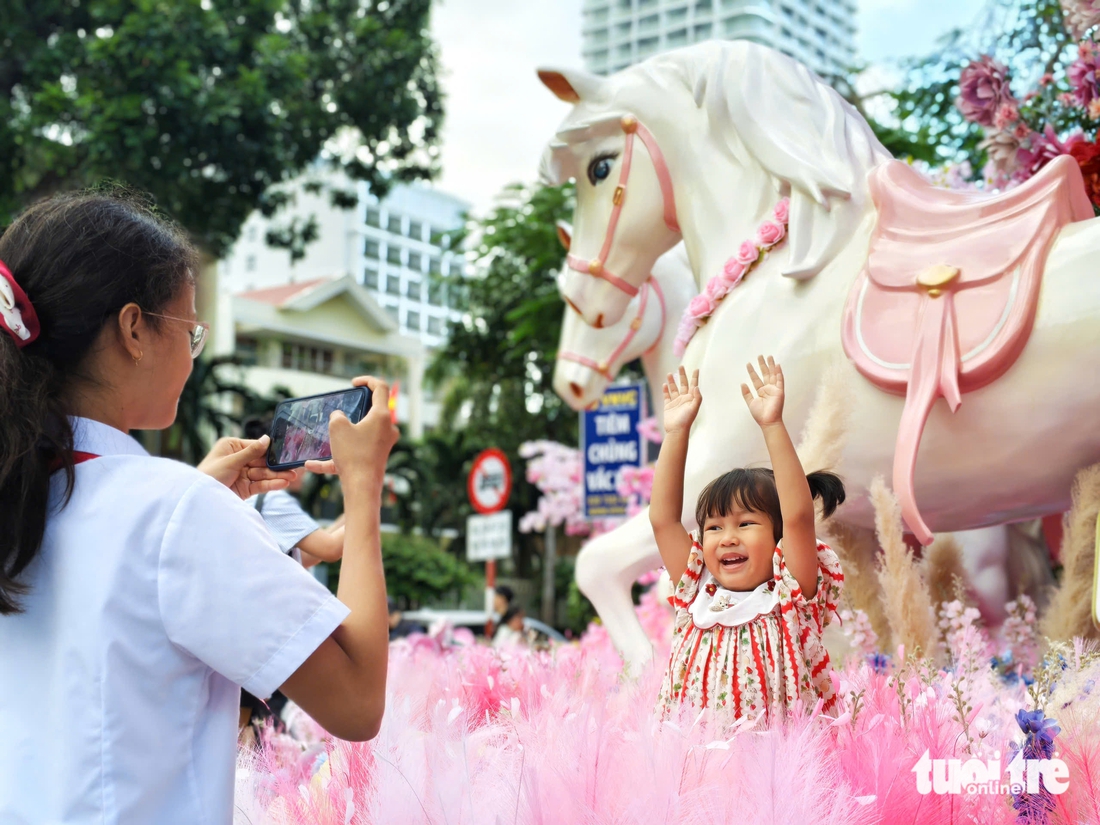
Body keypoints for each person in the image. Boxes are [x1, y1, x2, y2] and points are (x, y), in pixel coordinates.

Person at [0, 189, 399, 823]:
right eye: (191, 330)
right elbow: (355, 703)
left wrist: (197, 498)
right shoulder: (175, 510)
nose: (193, 354)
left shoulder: (23, 492)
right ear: (134, 329)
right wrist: (365, 484)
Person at [650, 360, 845, 721]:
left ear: (778, 537)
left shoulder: (790, 594)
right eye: (714, 527)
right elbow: (662, 520)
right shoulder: (696, 589)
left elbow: (798, 516)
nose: (727, 539)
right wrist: (676, 433)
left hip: (775, 765)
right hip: (698, 765)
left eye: (745, 523)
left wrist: (772, 424)